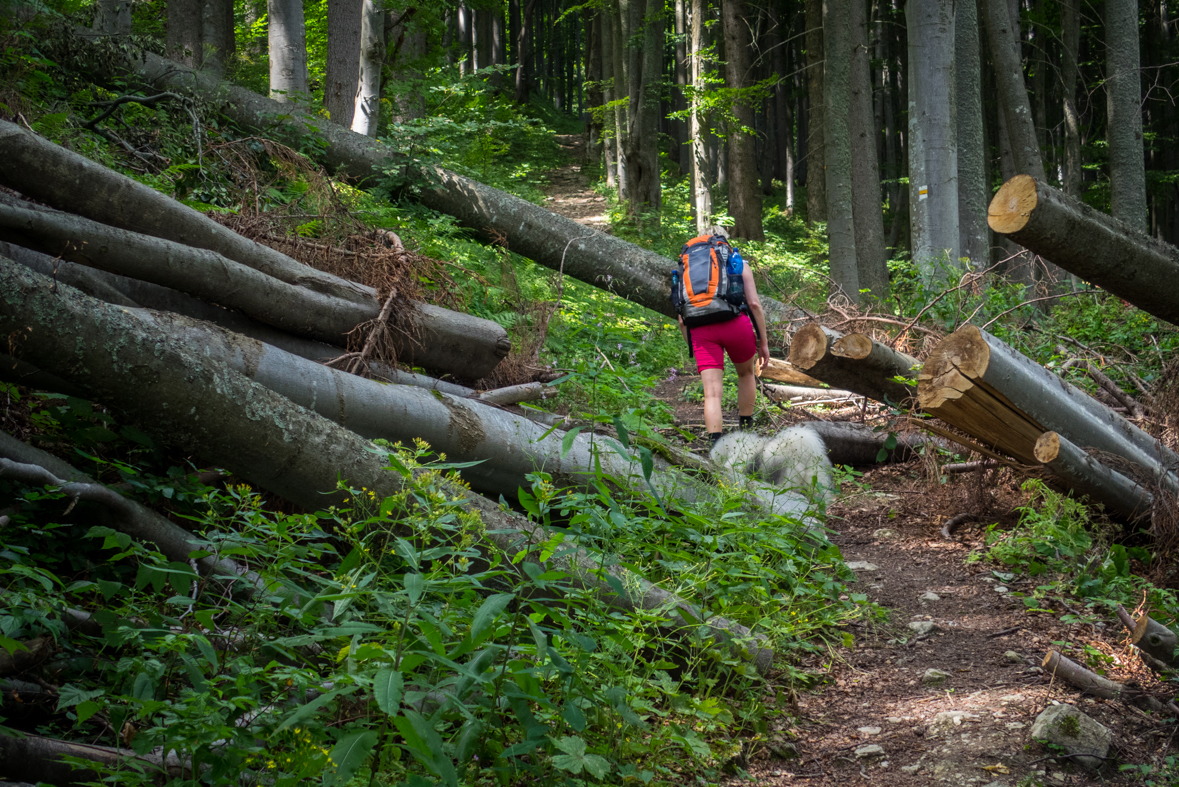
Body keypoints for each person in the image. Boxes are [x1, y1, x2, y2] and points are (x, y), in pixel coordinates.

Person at [675, 226, 770, 446]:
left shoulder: (686, 266)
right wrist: (763, 342)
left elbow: (682, 319)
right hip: (735, 324)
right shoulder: (737, 262)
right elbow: (754, 304)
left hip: (701, 330)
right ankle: (746, 434)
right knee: (746, 375)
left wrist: (693, 343)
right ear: (723, 241)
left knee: (712, 393)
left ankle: (715, 448)